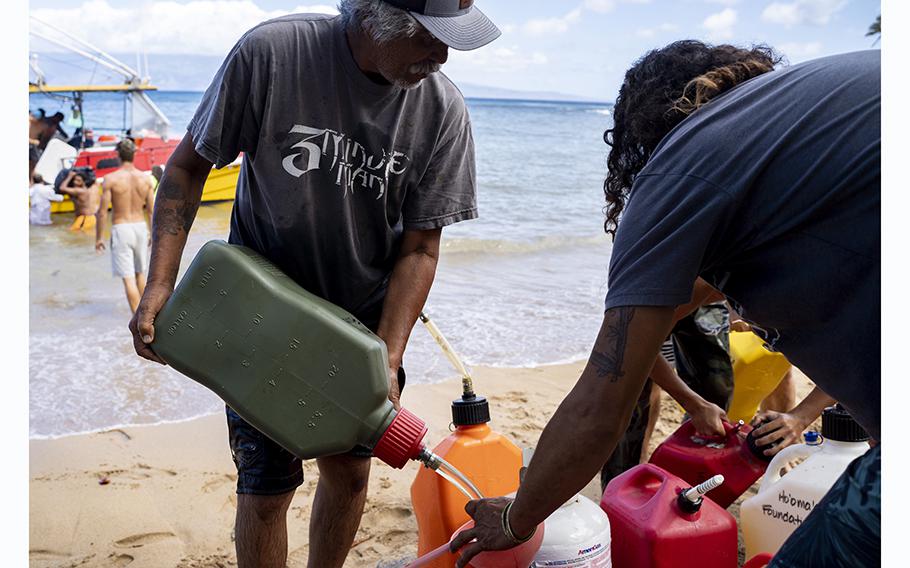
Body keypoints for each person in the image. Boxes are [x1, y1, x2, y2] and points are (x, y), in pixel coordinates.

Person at [453, 44, 879, 568]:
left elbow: (599, 401)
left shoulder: (682, 167)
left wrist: (518, 518)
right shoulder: (802, 131)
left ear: (640, 135)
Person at [127, 1, 500, 567]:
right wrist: (160, 283)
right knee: (266, 488)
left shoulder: (443, 109)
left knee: (350, 475)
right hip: (257, 318)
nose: (442, 56)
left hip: (362, 328)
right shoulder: (274, 54)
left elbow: (421, 247)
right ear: (376, 16)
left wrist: (387, 356)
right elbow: (186, 168)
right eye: (429, 37)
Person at [95, 139, 155, 313]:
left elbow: (102, 213)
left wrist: (99, 238)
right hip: (141, 228)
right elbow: (151, 210)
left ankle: (137, 320)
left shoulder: (110, 179)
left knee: (128, 278)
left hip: (122, 228)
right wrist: (152, 233)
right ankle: (148, 316)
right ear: (134, 154)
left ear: (117, 155)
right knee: (140, 274)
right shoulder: (146, 179)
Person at [56, 167, 102, 232]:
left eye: (78, 181)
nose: (75, 182)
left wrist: (69, 176)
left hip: (85, 218)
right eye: (74, 180)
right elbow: (94, 180)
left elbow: (62, 188)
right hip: (89, 218)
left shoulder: (80, 191)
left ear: (83, 182)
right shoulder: (93, 187)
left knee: (74, 233)